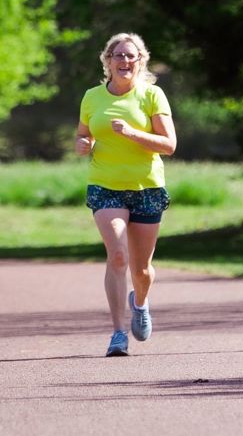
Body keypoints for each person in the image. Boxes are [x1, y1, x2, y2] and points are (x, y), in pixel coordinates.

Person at [75, 33, 177, 357]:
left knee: (142, 269)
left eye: (131, 56)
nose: (124, 61)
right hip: (105, 186)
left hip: (147, 186)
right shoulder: (92, 97)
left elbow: (170, 145)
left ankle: (141, 302)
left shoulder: (152, 96)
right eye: (118, 55)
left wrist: (133, 133)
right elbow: (83, 134)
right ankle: (118, 332)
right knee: (117, 254)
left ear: (140, 61)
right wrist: (83, 144)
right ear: (107, 61)